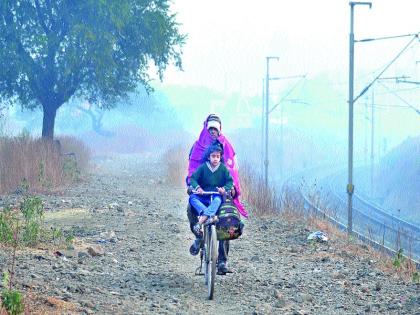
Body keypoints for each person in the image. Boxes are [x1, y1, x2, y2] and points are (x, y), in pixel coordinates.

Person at [187, 114, 248, 275]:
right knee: (190, 208)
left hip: (220, 191)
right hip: (202, 190)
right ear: (206, 128)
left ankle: (222, 260)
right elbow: (192, 171)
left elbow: (232, 171)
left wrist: (232, 189)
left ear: (220, 129)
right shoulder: (197, 147)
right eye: (210, 128)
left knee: (227, 217)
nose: (213, 131)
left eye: (215, 128)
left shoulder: (226, 146)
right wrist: (192, 186)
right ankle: (199, 235)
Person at [188, 142, 233, 274]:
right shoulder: (203, 167)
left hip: (215, 196)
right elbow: (193, 179)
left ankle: (201, 221)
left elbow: (230, 181)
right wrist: (198, 188)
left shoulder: (223, 169)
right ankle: (206, 216)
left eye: (218, 156)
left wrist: (224, 189)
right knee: (192, 199)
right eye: (213, 156)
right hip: (203, 196)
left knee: (219, 202)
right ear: (208, 157)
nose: (215, 159)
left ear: (220, 157)